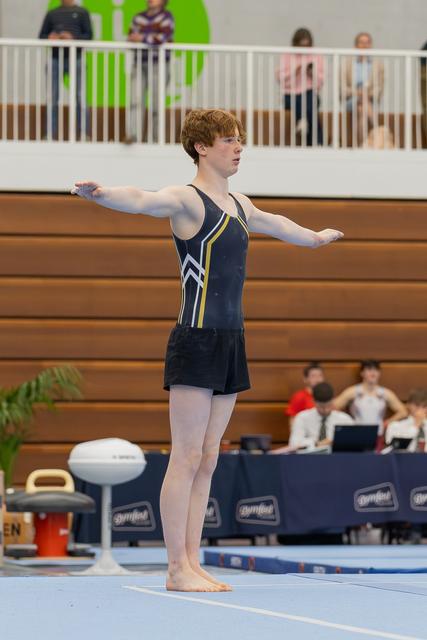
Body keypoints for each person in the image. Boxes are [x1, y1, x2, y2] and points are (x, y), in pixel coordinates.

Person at [72, 108, 343, 592]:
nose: (239, 147)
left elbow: (275, 222)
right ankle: (175, 568)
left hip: (231, 340)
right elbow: (141, 199)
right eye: (229, 140)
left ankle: (193, 562)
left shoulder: (239, 202)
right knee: (186, 454)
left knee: (210, 457)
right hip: (195, 339)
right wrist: (102, 194)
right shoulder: (187, 199)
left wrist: (315, 238)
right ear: (201, 147)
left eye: (240, 140)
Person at [39, 0, 93, 141]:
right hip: (55, 59)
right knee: (52, 97)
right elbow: (41, 36)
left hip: (77, 59)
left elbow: (89, 36)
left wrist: (73, 38)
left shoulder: (82, 12)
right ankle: (50, 134)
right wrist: (51, 37)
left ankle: (83, 134)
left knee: (80, 96)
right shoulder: (52, 13)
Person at [126, 0, 175, 143]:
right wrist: (145, 39)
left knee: (156, 103)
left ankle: (155, 139)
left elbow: (162, 38)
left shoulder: (166, 16)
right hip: (139, 62)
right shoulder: (138, 17)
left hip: (158, 65)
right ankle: (133, 136)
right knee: (135, 100)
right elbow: (130, 36)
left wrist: (142, 38)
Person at [276, 28, 324, 146]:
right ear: (295, 43)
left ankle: (302, 122)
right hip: (290, 94)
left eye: (307, 46)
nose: (304, 50)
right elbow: (281, 80)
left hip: (309, 93)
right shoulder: (287, 56)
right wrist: (295, 71)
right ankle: (317, 143)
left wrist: (311, 73)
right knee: (303, 104)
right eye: (301, 46)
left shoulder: (317, 56)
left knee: (310, 101)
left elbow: (320, 83)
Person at [334, 360, 407, 432]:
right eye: (369, 370)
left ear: (379, 373)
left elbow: (403, 412)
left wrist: (387, 422)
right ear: (362, 373)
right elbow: (334, 407)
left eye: (376, 370)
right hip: (357, 433)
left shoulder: (385, 393)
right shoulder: (353, 392)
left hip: (377, 434)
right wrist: (347, 422)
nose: (373, 373)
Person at [342, 32, 384, 146]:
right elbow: (342, 87)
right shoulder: (348, 64)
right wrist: (356, 92)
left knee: (361, 109)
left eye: (367, 42)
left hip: (370, 100)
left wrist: (367, 94)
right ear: (356, 45)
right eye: (362, 42)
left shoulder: (377, 64)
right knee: (362, 103)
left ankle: (361, 144)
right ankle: (378, 128)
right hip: (352, 99)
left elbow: (379, 87)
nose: (365, 45)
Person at [288, 382, 353, 449]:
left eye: (329, 405)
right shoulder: (302, 417)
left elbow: (353, 443)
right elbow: (294, 443)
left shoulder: (345, 419)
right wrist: (316, 443)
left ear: (333, 401)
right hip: (310, 457)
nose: (326, 410)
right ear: (313, 401)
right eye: (321, 406)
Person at [286, 361, 324, 428]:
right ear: (305, 379)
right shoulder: (299, 396)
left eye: (320, 375)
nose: (318, 379)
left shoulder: (327, 395)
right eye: (313, 376)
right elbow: (292, 420)